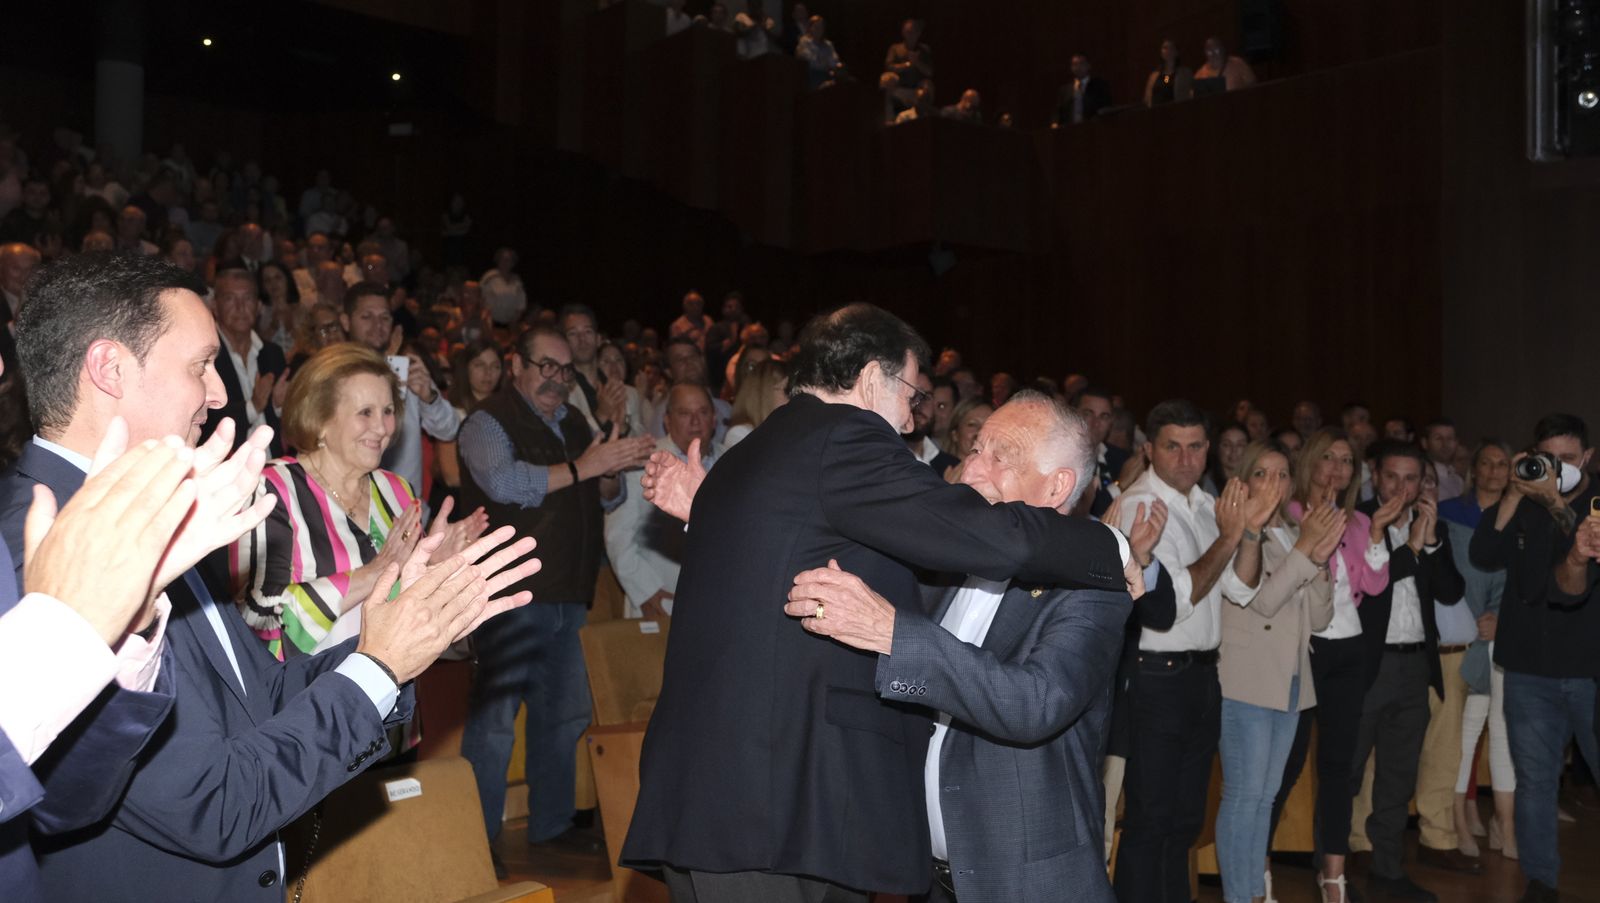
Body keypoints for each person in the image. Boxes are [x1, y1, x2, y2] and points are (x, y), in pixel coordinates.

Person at [1, 251, 537, 901]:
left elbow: (263, 692)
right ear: (110, 368)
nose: (222, 392)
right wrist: (377, 669)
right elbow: (212, 803)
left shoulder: (152, 516)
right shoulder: (30, 551)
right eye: (201, 365)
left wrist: (393, 636)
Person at [620, 304, 1133, 900]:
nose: (914, 425)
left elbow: (1028, 695)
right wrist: (1113, 546)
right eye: (912, 397)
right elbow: (992, 536)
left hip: (753, 806)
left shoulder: (759, 451)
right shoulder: (845, 438)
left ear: (1058, 485)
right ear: (870, 381)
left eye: (1001, 456)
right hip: (769, 805)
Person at [782, 391, 1134, 902]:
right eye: (974, 450)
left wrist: (894, 635)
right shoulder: (939, 562)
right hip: (926, 879)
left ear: (1057, 486)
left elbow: (1033, 704)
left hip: (1028, 884)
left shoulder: (1090, 590)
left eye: (1000, 457)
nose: (971, 471)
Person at [456, 326, 656, 858]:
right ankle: (476, 839)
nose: (556, 380)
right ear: (514, 364)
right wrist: (586, 467)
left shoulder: (573, 421)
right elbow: (504, 484)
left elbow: (605, 499)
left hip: (570, 589)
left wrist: (608, 474)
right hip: (508, 592)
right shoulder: (486, 421)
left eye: (565, 371)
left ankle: (551, 823)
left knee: (563, 714)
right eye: (545, 366)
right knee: (496, 723)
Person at [1111, 399, 1275, 903]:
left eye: (1196, 446)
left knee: (1184, 820)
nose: (1186, 458)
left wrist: (1247, 533)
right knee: (1150, 818)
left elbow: (1241, 589)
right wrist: (1229, 539)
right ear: (1150, 449)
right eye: (1172, 446)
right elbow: (1173, 602)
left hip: (1203, 676)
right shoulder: (1141, 504)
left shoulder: (1206, 504)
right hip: (1156, 676)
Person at [232, 342, 488, 657]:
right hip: (306, 697)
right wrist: (373, 574)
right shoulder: (271, 489)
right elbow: (258, 620)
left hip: (389, 690)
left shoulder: (397, 491)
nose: (382, 428)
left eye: (388, 411)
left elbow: (410, 608)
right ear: (320, 418)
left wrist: (434, 564)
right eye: (365, 412)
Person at [1470, 413, 1600, 903]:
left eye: (1568, 459)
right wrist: (1512, 493)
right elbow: (1484, 552)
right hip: (1527, 666)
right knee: (1535, 783)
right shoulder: (1525, 497)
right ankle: (1541, 882)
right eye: (1548, 458)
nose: (1557, 468)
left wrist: (1554, 503)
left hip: (1590, 667)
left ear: (1586, 457)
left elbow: (1579, 556)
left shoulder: (1596, 500)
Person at [1214, 440, 1342, 903]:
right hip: (1247, 679)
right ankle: (1239, 895)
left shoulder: (1291, 532)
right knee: (1244, 795)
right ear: (1245, 481)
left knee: (1266, 798)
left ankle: (1252, 893)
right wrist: (1308, 551)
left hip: (1290, 679)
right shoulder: (1231, 528)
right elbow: (1261, 599)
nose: (1275, 483)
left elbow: (1321, 619)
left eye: (1283, 474)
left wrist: (1321, 559)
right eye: (1263, 474)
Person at [1270, 429, 1394, 902]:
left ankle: (1334, 875)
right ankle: (1256, 868)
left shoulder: (1359, 521)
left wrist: (1378, 534)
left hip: (1348, 650)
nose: (1338, 469)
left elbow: (1374, 586)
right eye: (1328, 458)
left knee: (1339, 767)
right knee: (1286, 764)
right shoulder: (1290, 514)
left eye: (1346, 460)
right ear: (1309, 464)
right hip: (1303, 649)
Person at [1349, 441, 1466, 902]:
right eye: (1392, 477)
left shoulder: (1427, 524)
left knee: (1399, 775)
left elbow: (1451, 590)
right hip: (1367, 666)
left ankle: (1388, 869)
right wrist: (1411, 548)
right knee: (1349, 772)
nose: (1401, 487)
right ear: (1375, 476)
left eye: (1411, 479)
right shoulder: (1356, 521)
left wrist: (1431, 541)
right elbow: (1368, 588)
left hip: (1415, 664)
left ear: (1423, 483)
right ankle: (1333, 870)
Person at [1438, 440, 1515, 859]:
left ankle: (1505, 823)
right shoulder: (1450, 514)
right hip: (1460, 637)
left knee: (1503, 730)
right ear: (1474, 468)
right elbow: (1443, 576)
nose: (1494, 471)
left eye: (1502, 464)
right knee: (1463, 734)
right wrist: (1471, 621)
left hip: (1505, 638)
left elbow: (1525, 580)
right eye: (1486, 462)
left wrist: (1502, 618)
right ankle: (1456, 816)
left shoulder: (1523, 517)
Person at [606, 384, 719, 620]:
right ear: (667, 421)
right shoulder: (644, 461)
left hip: (716, 600)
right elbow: (618, 536)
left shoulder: (733, 461)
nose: (695, 421)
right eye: (684, 413)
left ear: (715, 418)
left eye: (703, 412)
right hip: (660, 595)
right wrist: (645, 591)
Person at [341, 281, 460, 496]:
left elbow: (449, 429)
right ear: (346, 322)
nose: (377, 324)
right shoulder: (332, 375)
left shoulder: (406, 369)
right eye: (367, 316)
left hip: (405, 511)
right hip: (347, 507)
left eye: (385, 317)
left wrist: (429, 397)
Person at [200, 267, 286, 457]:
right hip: (228, 469)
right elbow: (205, 422)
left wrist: (280, 407)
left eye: (247, 299)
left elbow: (288, 428)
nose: (240, 307)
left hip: (275, 470)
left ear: (258, 306)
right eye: (230, 298)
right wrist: (252, 407)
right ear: (215, 305)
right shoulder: (204, 357)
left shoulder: (272, 353)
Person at [723, 357, 787, 449]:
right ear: (765, 393)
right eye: (786, 390)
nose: (794, 397)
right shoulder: (740, 434)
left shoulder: (781, 428)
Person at [883, 19, 934, 110]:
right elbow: (888, 67)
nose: (911, 35)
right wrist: (907, 65)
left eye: (914, 32)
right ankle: (888, 117)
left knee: (928, 85)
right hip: (899, 85)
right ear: (903, 32)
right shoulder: (895, 48)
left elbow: (929, 72)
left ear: (918, 33)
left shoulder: (924, 50)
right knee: (887, 78)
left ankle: (924, 116)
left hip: (917, 87)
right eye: (908, 32)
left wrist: (917, 63)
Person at [1053, 53, 1112, 126]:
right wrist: (1055, 123)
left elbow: (1105, 108)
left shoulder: (1099, 86)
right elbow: (1058, 112)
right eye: (1075, 64)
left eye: (1081, 64)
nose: (1078, 67)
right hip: (1069, 131)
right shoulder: (1064, 90)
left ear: (1088, 66)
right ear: (1071, 68)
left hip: (1093, 129)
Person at [480, 247, 527, 327]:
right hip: (491, 323)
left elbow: (521, 303)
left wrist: (514, 321)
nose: (505, 262)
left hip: (511, 324)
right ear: (498, 261)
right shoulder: (489, 277)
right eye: (502, 259)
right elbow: (480, 298)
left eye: (508, 260)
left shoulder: (517, 281)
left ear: (513, 263)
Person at [1422, 418, 1464, 501]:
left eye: (1450, 438)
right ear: (1425, 443)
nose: (1445, 444)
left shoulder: (1458, 480)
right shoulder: (1421, 477)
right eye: (1438, 438)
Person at [1144, 39, 1194, 106]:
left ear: (1176, 52)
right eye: (1165, 48)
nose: (1168, 51)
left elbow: (1190, 94)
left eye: (1171, 48)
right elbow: (1147, 99)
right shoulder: (1154, 76)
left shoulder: (1185, 74)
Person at [796, 15, 842, 89]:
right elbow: (809, 61)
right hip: (811, 76)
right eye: (816, 27)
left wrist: (832, 65)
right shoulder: (804, 42)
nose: (819, 29)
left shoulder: (828, 44)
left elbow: (834, 62)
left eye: (821, 27)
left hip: (826, 75)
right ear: (810, 28)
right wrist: (824, 61)